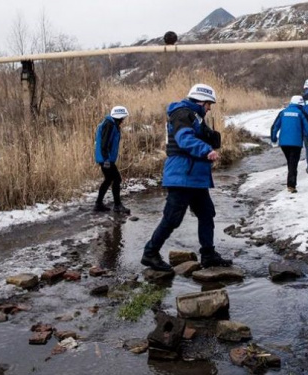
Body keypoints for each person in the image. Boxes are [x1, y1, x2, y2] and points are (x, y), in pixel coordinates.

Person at [140, 83, 231, 272]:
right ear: (200, 101)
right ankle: (150, 253)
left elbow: (198, 136)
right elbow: (184, 139)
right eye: (208, 104)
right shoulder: (182, 113)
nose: (209, 108)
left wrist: (211, 138)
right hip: (182, 176)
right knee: (172, 219)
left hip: (194, 177)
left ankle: (208, 255)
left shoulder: (195, 116)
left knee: (207, 213)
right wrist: (207, 150)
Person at [270, 96, 308, 193]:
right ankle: (291, 185)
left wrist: (273, 138)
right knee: (293, 163)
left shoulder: (283, 112)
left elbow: (275, 126)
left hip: (284, 143)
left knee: (290, 161)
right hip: (296, 143)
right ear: (300, 104)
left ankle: (291, 182)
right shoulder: (301, 113)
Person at [94, 106, 130, 214]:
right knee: (116, 179)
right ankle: (117, 205)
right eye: (122, 118)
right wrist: (106, 160)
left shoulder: (112, 124)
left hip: (106, 158)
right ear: (118, 117)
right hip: (105, 159)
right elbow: (104, 144)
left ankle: (98, 204)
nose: (123, 120)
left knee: (109, 179)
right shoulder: (109, 125)